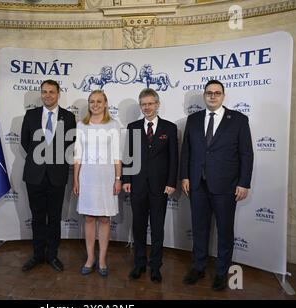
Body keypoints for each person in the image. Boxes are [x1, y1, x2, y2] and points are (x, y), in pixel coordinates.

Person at [180, 80, 254, 291]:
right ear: (204, 95)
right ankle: (198, 267)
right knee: (199, 228)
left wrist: (244, 182)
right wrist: (184, 177)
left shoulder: (238, 120)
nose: (213, 96)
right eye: (209, 93)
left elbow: (246, 154)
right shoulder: (193, 120)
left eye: (217, 93)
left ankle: (222, 272)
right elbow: (187, 151)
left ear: (223, 96)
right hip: (197, 185)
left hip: (226, 186)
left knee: (224, 231)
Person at [122, 88, 178, 283]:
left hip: (160, 187)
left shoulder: (169, 128)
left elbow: (174, 159)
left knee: (157, 228)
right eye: (144, 104)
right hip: (137, 186)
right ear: (141, 106)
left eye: (150, 103)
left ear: (157, 104)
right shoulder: (132, 127)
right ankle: (139, 264)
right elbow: (128, 156)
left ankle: (155, 266)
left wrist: (171, 182)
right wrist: (127, 180)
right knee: (138, 227)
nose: (147, 107)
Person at [21, 79, 76, 272]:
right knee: (37, 217)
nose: (47, 95)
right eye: (44, 92)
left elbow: (70, 144)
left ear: (58, 94)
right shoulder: (30, 115)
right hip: (35, 175)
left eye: (51, 92)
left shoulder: (69, 117)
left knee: (54, 217)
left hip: (57, 176)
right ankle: (37, 255)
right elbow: (25, 143)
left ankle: (52, 255)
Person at [73, 90, 122, 277]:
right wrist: (76, 179)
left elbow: (117, 155)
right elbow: (78, 155)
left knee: (104, 218)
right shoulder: (81, 125)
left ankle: (102, 259)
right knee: (89, 218)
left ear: (106, 103)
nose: (95, 104)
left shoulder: (113, 125)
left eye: (99, 101)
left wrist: (118, 179)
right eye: (92, 101)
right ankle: (90, 258)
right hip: (87, 177)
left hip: (107, 177)